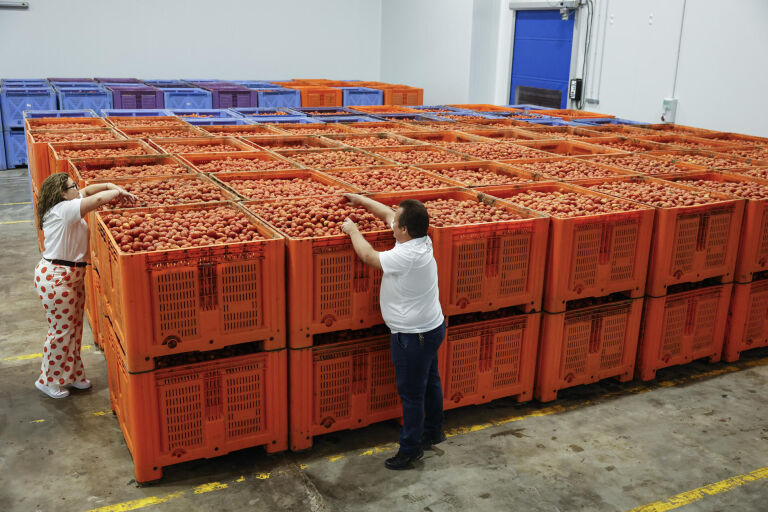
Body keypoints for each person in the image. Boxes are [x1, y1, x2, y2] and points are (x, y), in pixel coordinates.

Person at [341, 193, 446, 470]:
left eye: (397, 221)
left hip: (413, 336)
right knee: (431, 381)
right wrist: (361, 200)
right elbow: (388, 214)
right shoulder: (422, 240)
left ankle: (410, 450)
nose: (392, 220)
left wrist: (352, 230)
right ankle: (433, 431)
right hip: (433, 326)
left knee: (411, 395)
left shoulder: (406, 255)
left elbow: (367, 256)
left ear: (404, 230)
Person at [33, 172, 136, 399]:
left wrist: (110, 184)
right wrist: (118, 192)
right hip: (56, 278)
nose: (77, 188)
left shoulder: (68, 203)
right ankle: (47, 380)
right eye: (72, 186)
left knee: (74, 329)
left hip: (70, 275)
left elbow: (89, 192)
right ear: (62, 193)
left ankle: (72, 375)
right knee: (61, 331)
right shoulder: (64, 210)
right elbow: (96, 199)